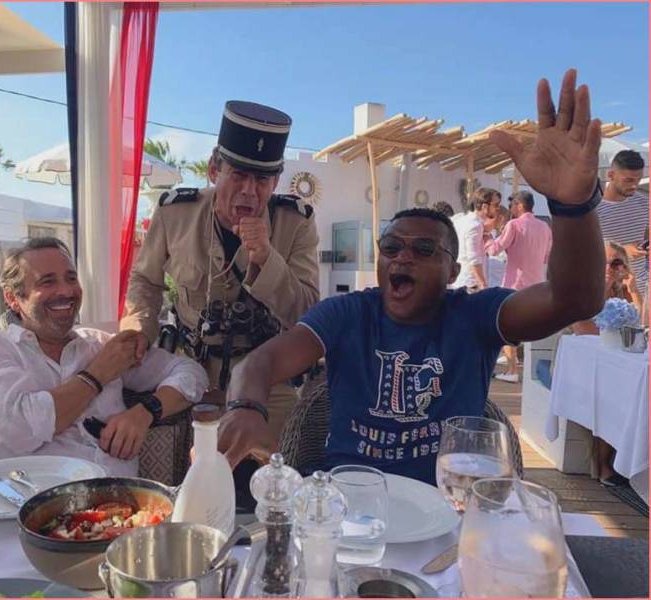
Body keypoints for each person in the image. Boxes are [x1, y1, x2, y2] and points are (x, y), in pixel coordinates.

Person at [218, 69, 606, 484]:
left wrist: (572, 206)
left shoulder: (475, 316)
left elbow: (575, 300)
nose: (402, 257)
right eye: (391, 248)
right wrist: (246, 407)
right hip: (348, 501)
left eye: (423, 250)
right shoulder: (348, 314)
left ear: (453, 271)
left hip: (445, 502)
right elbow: (261, 362)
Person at [121, 100, 320, 458]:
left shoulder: (296, 223)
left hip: (266, 378)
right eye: (238, 175)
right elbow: (145, 280)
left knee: (280, 474)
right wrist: (139, 329)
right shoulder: (175, 213)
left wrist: (267, 259)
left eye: (262, 180)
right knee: (193, 473)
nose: (249, 191)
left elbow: (307, 313)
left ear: (276, 181)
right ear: (214, 169)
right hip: (191, 369)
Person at [0, 237, 208, 476]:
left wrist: (145, 412)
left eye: (71, 278)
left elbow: (191, 372)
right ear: (13, 298)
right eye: (47, 282)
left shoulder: (99, 345)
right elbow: (20, 428)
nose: (66, 291)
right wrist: (97, 375)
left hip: (116, 497)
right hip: (30, 500)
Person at [570, 241, 640, 487]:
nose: (609, 267)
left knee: (633, 390)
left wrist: (635, 293)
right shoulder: (582, 292)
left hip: (615, 364)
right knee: (613, 393)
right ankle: (604, 465)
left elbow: (643, 327)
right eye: (603, 261)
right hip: (580, 363)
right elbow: (584, 329)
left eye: (616, 263)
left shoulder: (624, 295)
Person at [485, 191, 553, 383]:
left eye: (512, 205)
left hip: (514, 283)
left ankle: (512, 369)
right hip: (537, 283)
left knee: (506, 325)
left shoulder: (513, 225)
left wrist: (487, 237)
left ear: (520, 205)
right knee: (532, 326)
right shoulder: (545, 227)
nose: (511, 209)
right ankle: (527, 365)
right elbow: (547, 256)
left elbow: (495, 249)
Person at [596, 150, 648, 294]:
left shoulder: (645, 203)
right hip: (606, 291)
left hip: (641, 289)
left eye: (638, 180)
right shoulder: (592, 210)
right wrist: (623, 251)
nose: (635, 186)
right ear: (611, 175)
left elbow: (646, 236)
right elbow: (583, 251)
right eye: (628, 180)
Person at [450, 187, 502, 292]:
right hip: (472, 285)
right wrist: (483, 285)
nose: (498, 209)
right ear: (484, 207)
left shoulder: (461, 220)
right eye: (496, 205)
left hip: (461, 281)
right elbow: (474, 259)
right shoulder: (475, 226)